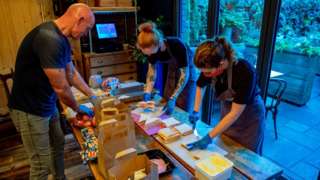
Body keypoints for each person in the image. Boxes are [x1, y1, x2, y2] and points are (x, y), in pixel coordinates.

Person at [9, 3, 98, 179]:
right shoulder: (48, 38)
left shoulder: (62, 40)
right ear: (79, 19)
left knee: (58, 143)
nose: (85, 34)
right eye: (87, 28)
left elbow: (71, 73)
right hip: (30, 109)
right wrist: (78, 108)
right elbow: (61, 87)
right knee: (40, 165)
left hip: (47, 104)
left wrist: (92, 94)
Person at [187, 37, 266, 154]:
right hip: (228, 112)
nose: (205, 75)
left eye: (208, 72)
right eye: (203, 72)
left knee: (246, 157)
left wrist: (209, 137)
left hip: (249, 117)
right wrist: (195, 111)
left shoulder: (244, 71)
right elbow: (200, 86)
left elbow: (234, 113)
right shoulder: (210, 65)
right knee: (225, 151)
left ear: (221, 63)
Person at [136, 22, 197, 114]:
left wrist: (174, 98)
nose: (149, 55)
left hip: (187, 72)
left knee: (183, 106)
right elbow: (151, 72)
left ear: (159, 43)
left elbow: (184, 74)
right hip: (173, 69)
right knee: (166, 100)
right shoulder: (151, 50)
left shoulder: (177, 45)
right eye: (146, 53)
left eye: (151, 52)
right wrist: (147, 92)